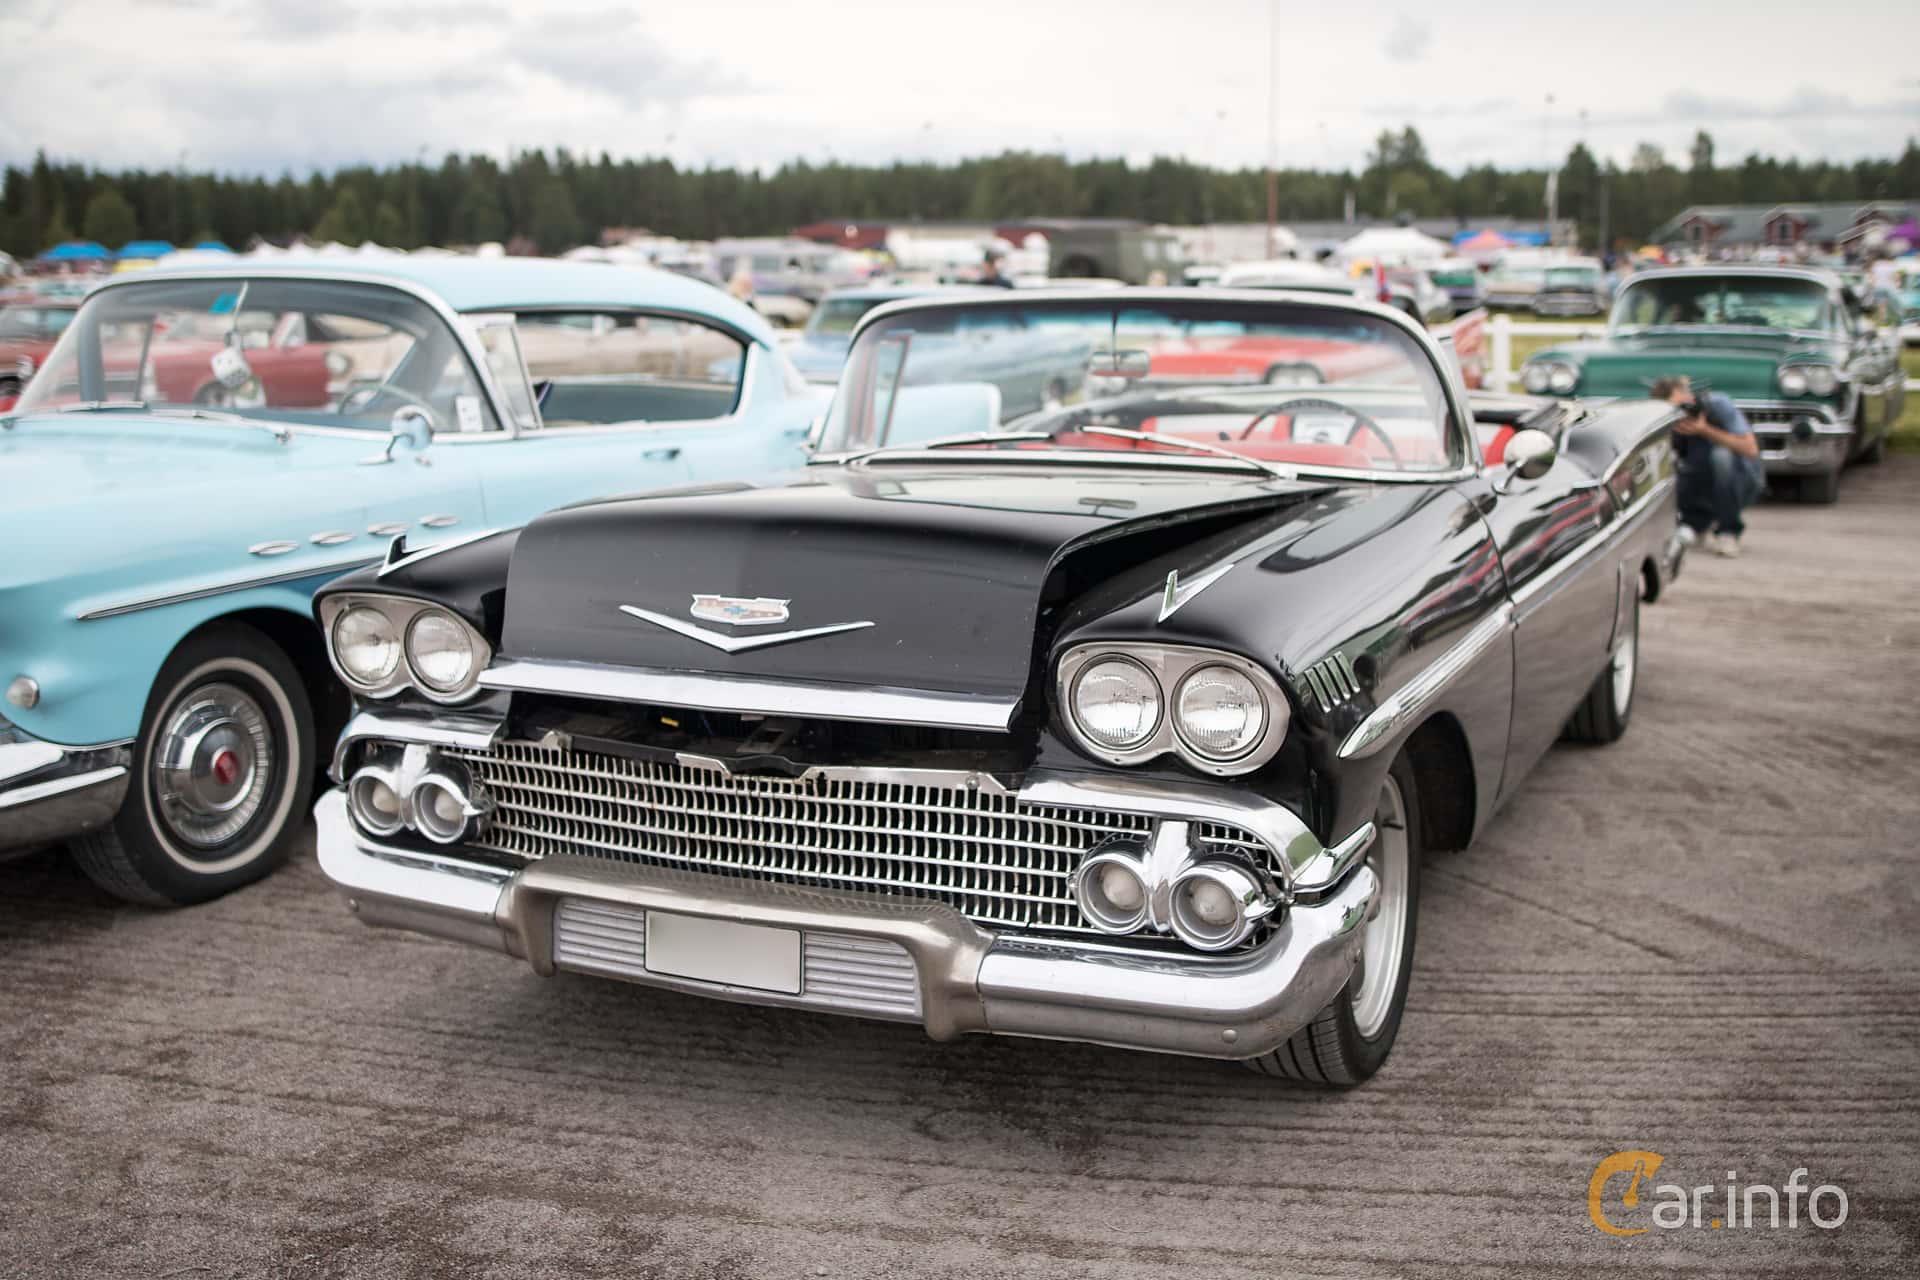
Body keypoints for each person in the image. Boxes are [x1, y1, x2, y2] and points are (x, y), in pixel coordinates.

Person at [1651, 375, 1762, 558]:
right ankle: (1694, 524)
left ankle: (1728, 531)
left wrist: (1703, 430)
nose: (1683, 412)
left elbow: (1750, 449)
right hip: (1699, 481)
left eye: (1682, 405)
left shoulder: (1717, 405)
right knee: (1666, 461)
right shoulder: (1672, 420)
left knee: (1721, 456)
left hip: (1742, 481)